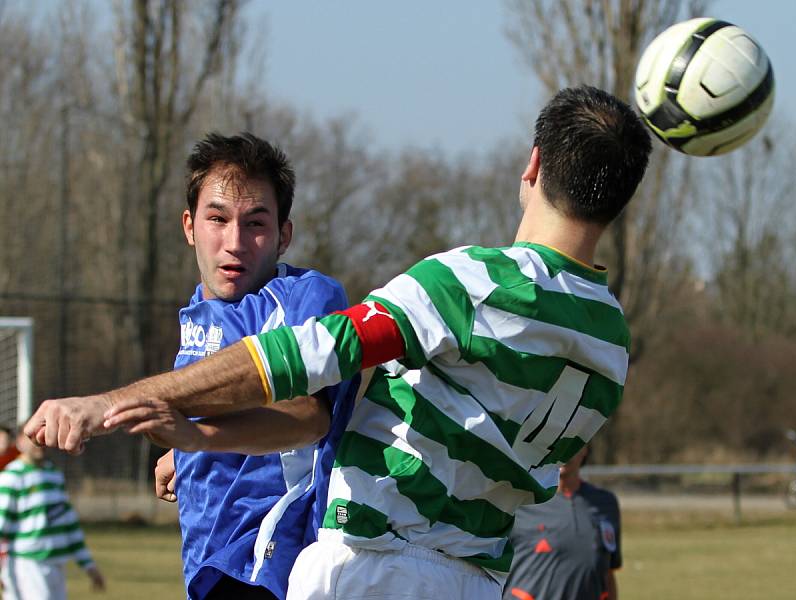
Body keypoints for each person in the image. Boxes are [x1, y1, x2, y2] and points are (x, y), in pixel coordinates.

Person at [24, 85, 652, 599]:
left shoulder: (471, 282)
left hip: (376, 567)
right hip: (481, 578)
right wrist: (202, 451)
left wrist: (112, 404)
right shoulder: (609, 345)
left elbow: (307, 359)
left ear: (533, 164)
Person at [146, 132, 357, 599]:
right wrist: (185, 455)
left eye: (255, 223)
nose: (234, 242)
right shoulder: (200, 309)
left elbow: (309, 417)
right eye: (217, 219)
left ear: (284, 235)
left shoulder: (307, 296)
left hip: (271, 555)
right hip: (207, 555)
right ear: (189, 226)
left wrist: (198, 438)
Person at [504, 446, 621, 600]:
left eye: (574, 441)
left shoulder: (606, 503)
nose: (564, 450)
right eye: (560, 440)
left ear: (585, 448)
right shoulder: (516, 502)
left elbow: (608, 573)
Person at [0, 431, 105, 599]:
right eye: (34, 439)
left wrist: (88, 564)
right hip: (27, 564)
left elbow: (68, 522)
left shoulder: (54, 475)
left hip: (57, 562)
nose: (40, 443)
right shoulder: (11, 477)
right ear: (20, 442)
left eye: (44, 438)